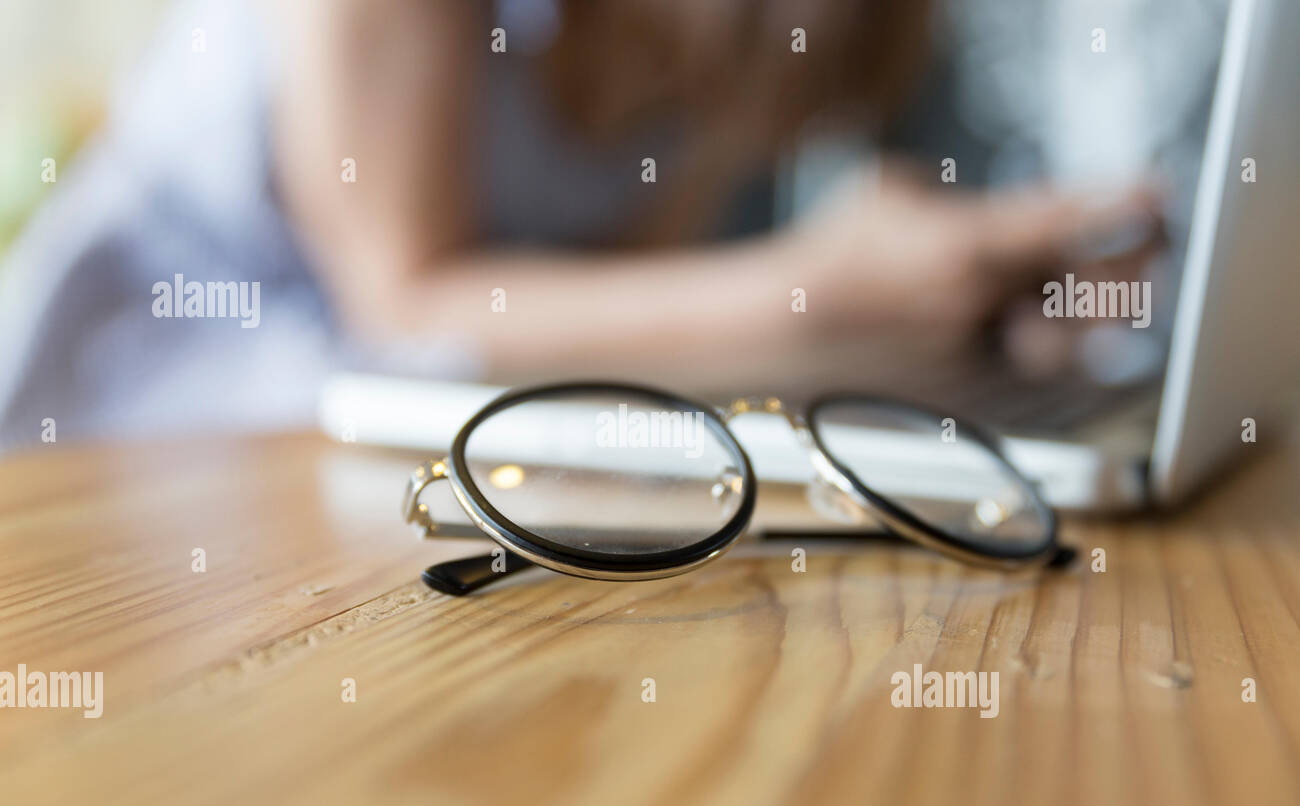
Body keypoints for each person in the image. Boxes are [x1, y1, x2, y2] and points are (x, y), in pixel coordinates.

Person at [0, 0, 1158, 449]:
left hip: (419, 438)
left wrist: (939, 328)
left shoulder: (717, 60)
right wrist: (816, 283)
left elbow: (596, 322)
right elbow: (402, 302)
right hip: (149, 409)